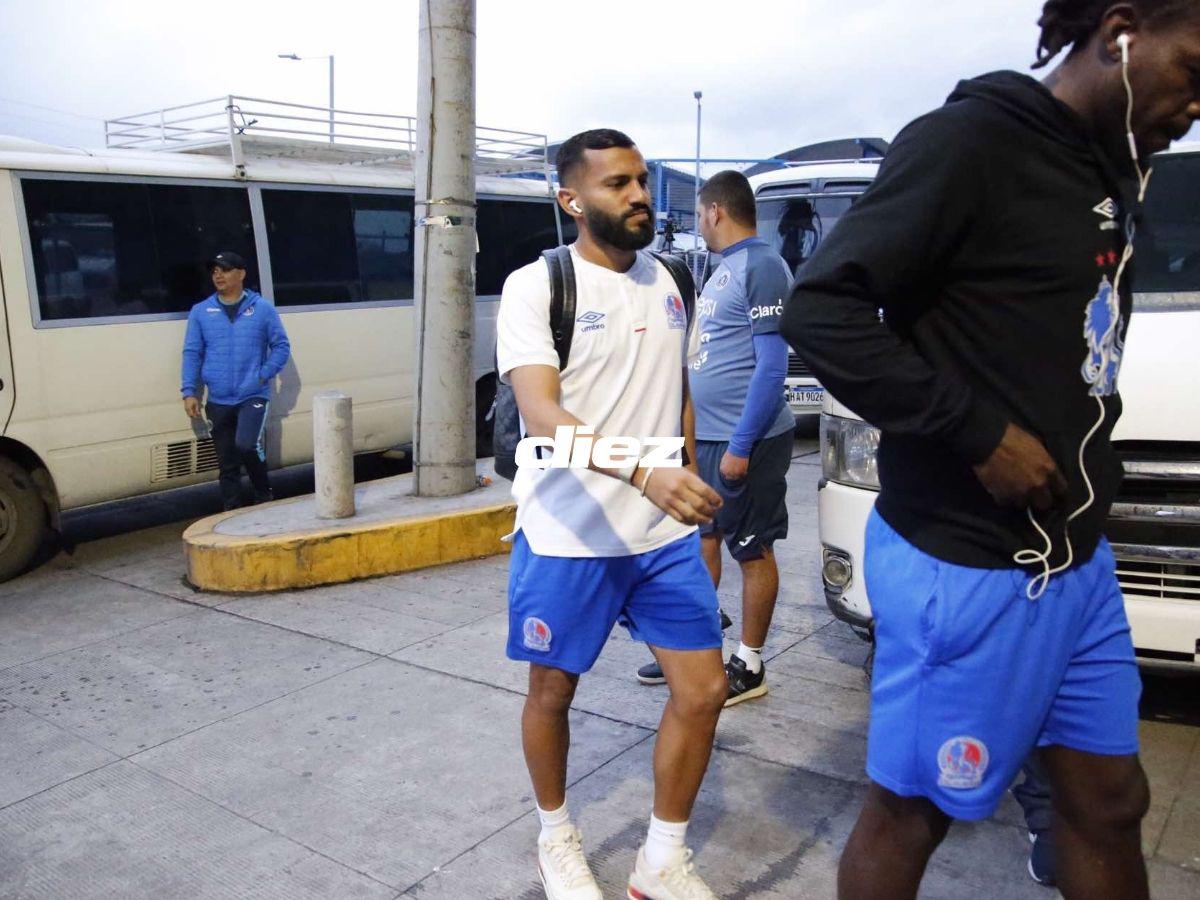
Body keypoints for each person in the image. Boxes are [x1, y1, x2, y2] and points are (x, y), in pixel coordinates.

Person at [780, 3, 1200, 898]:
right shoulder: (970, 143)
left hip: (1076, 564)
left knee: (1109, 800)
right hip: (967, 563)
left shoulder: (1112, 164)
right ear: (1120, 30)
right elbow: (824, 310)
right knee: (916, 810)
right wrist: (974, 430)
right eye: (1193, 69)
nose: (1196, 103)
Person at [497, 128, 727, 900]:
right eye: (617, 184)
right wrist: (644, 471)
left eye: (642, 182)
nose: (638, 196)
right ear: (572, 200)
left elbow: (680, 391)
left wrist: (687, 477)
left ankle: (661, 860)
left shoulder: (673, 280)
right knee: (552, 695)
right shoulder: (538, 287)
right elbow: (538, 411)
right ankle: (556, 837)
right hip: (570, 535)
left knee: (703, 691)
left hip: (661, 535)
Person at [636, 171, 795, 706]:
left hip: (743, 441)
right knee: (701, 539)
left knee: (751, 548)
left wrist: (742, 447)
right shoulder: (723, 268)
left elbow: (773, 368)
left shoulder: (763, 265)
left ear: (714, 212)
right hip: (706, 438)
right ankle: (700, 651)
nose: (699, 223)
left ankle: (749, 662)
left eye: (700, 214)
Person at [181, 251, 291, 511]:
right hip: (218, 398)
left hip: (252, 394)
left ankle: (263, 493)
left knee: (247, 444)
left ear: (241, 274)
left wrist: (263, 374)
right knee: (227, 461)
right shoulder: (201, 312)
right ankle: (232, 511)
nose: (218, 274)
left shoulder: (262, 309)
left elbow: (281, 346)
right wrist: (189, 391)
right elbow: (192, 352)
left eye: (225, 269)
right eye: (214, 270)